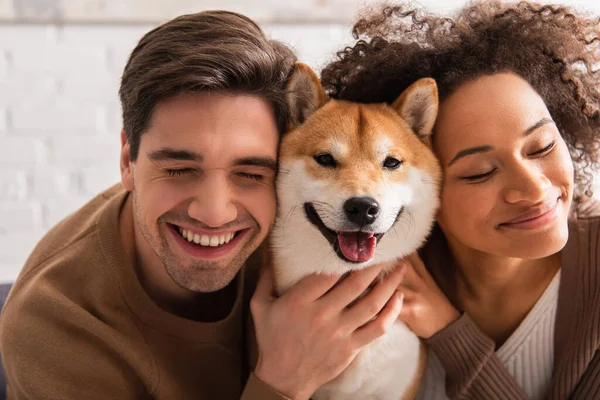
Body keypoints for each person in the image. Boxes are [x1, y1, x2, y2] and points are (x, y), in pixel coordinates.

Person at [0, 10, 407, 400]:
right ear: (128, 162)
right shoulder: (53, 329)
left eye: (250, 173)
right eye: (179, 169)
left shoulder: (315, 214)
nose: (214, 213)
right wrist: (283, 382)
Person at [321, 1, 600, 399]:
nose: (536, 189)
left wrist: (449, 333)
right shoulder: (370, 274)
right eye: (481, 172)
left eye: (541, 146)